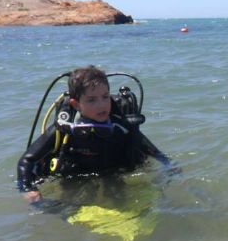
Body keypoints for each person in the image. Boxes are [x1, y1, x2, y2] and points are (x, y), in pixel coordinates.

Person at [17, 66, 175, 203]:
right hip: (76, 177)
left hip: (113, 174)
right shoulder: (64, 129)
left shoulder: (120, 127)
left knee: (120, 197)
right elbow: (26, 160)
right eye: (91, 100)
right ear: (76, 104)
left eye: (105, 97)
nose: (102, 105)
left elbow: (154, 152)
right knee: (73, 200)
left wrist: (170, 168)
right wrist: (27, 189)